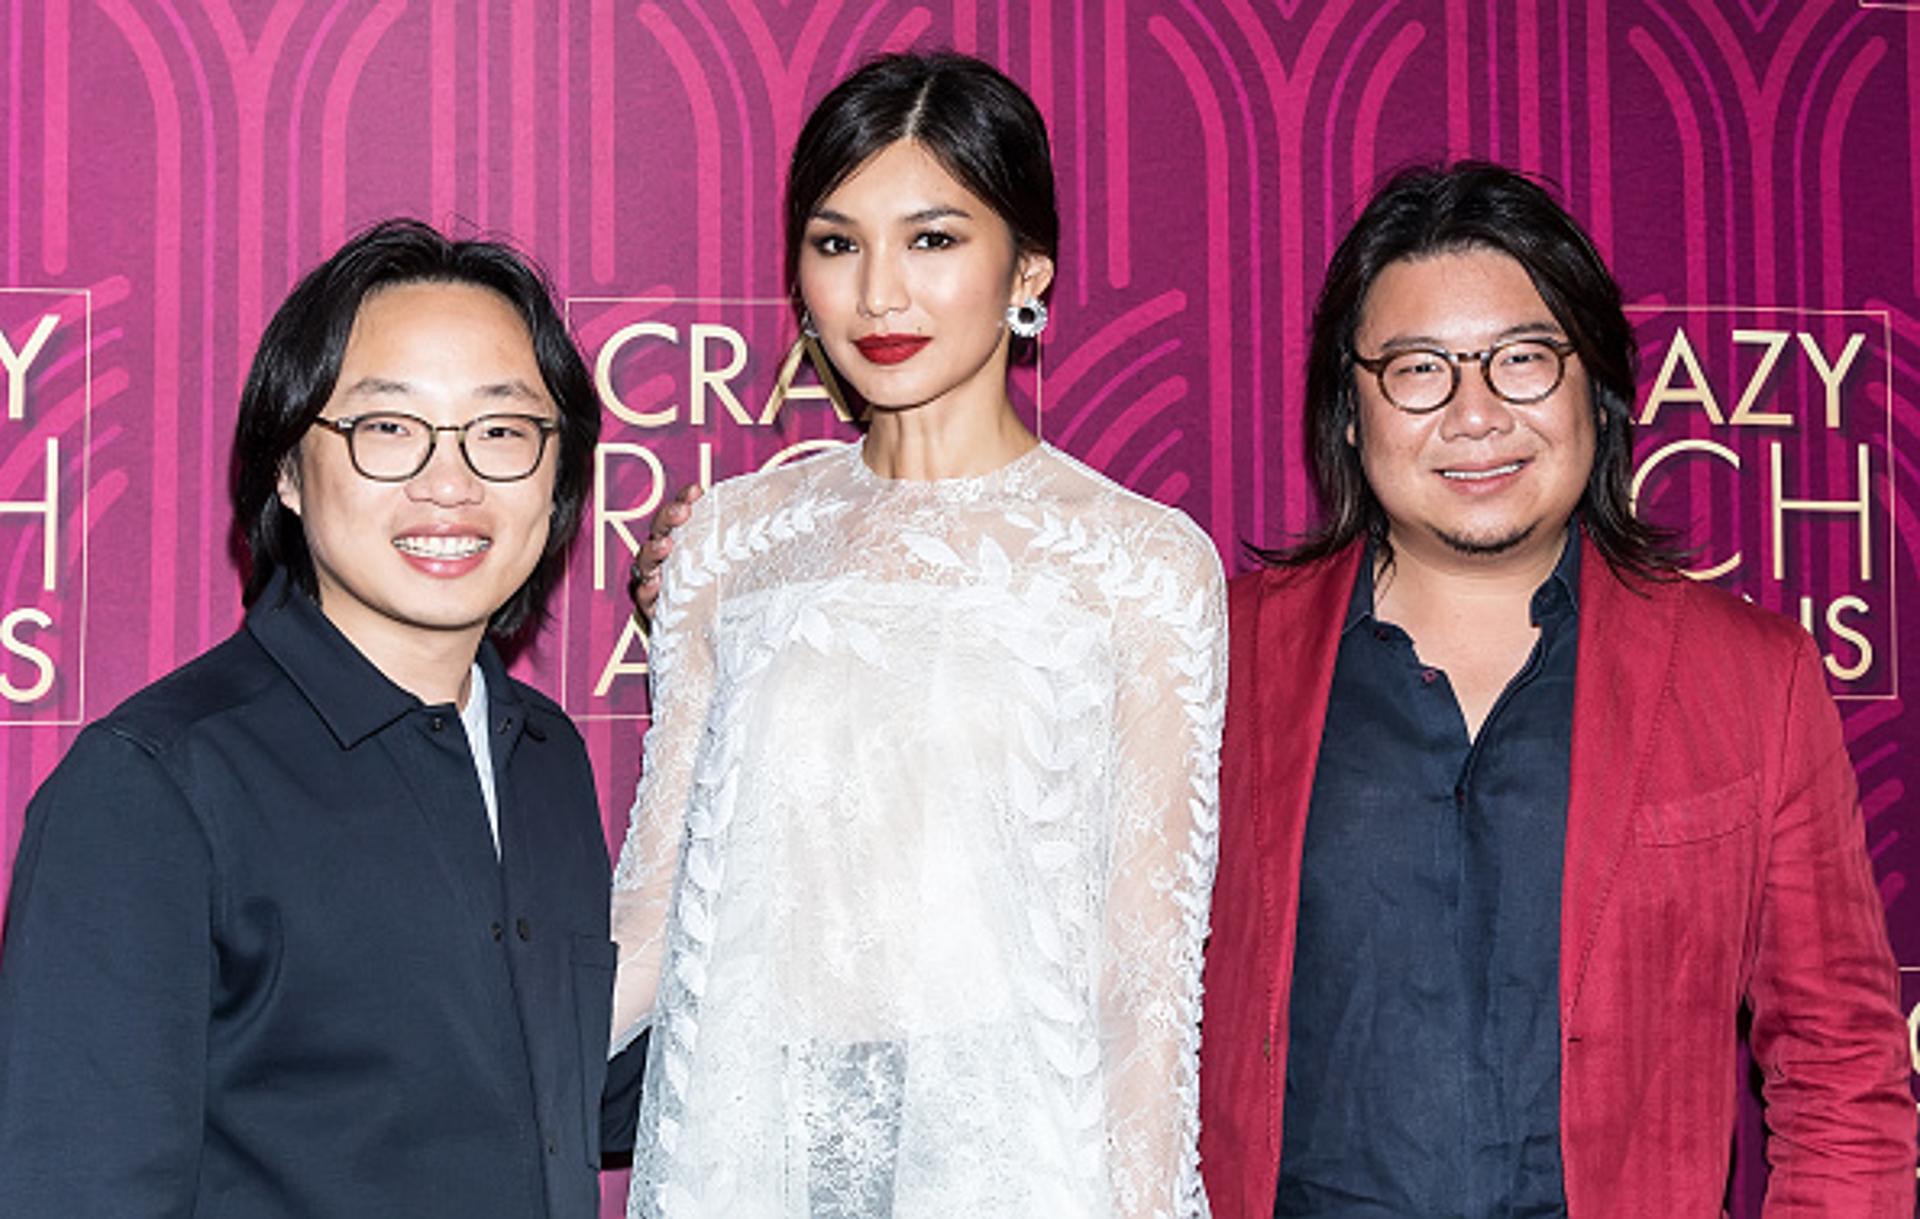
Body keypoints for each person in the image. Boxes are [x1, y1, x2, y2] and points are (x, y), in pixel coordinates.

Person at [1199, 163, 1914, 1216]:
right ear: (1350, 410)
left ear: (1599, 392)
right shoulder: (1211, 659)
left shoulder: (1752, 679)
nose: (1476, 415)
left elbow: (1842, 1066)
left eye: (1523, 360)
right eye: (1418, 369)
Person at [610, 52, 1226, 1218]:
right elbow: (651, 923)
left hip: (1015, 1168)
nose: (880, 295)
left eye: (933, 239)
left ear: (1027, 269)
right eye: (838, 244)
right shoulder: (732, 545)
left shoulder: (1142, 565)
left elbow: (1145, 990)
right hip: (756, 1157)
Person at [0, 219, 635, 1219]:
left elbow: (565, 1095)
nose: (450, 481)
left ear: (560, 472)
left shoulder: (547, 758)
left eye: (502, 430)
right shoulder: (157, 783)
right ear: (289, 470)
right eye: (388, 427)